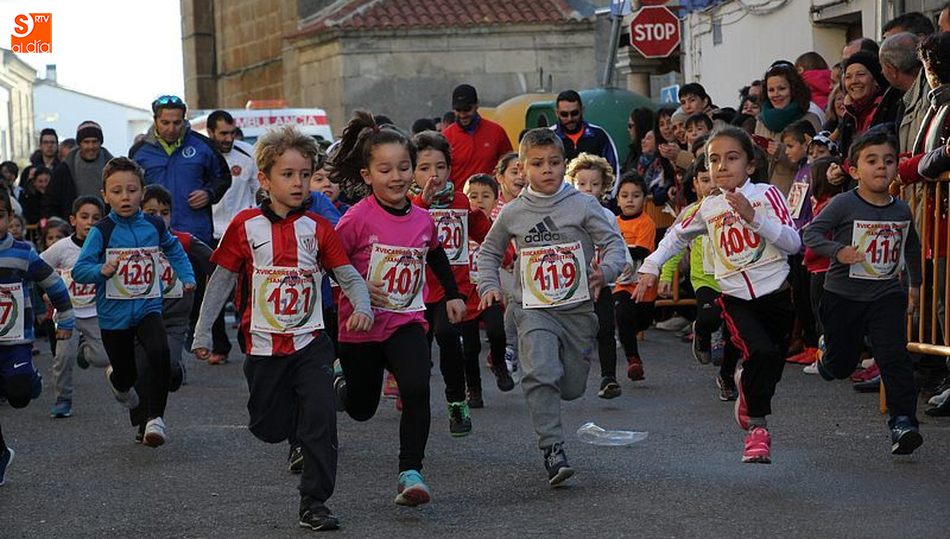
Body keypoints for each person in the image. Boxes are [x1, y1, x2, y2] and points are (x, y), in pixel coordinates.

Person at [192, 126, 366, 530]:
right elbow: (220, 280)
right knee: (267, 426)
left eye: (305, 174)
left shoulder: (320, 228)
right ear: (265, 179)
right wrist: (203, 332)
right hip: (263, 345)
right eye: (288, 174)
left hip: (311, 341)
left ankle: (314, 502)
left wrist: (362, 307)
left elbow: (348, 275)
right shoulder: (245, 225)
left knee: (321, 417)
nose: (299, 183)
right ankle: (291, 429)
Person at [636, 127, 801, 464]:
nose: (722, 166)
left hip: (777, 295)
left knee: (770, 362)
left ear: (750, 166)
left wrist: (753, 219)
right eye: (714, 160)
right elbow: (676, 236)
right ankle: (758, 431)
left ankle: (746, 389)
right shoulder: (708, 207)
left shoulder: (767, 195)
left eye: (731, 158)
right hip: (736, 297)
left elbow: (793, 243)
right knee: (759, 350)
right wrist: (651, 265)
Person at [330, 112, 466, 506]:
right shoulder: (356, 219)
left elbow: (436, 254)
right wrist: (356, 287)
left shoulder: (423, 218)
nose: (397, 177)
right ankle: (342, 384)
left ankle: (411, 472)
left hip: (407, 319)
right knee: (361, 408)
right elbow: (330, 260)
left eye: (404, 167)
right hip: (361, 326)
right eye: (385, 169)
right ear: (368, 175)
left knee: (417, 386)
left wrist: (454, 294)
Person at [476, 128, 626, 485]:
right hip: (532, 308)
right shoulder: (513, 212)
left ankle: (553, 389)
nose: (547, 170)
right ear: (522, 169)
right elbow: (489, 252)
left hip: (576, 310)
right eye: (538, 164)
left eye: (555, 163)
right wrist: (489, 285)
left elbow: (615, 246)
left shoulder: (583, 205)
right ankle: (553, 449)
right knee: (541, 373)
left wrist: (603, 272)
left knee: (571, 387)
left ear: (564, 164)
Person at [803, 130, 923, 454]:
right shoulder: (844, 203)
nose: (881, 167)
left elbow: (911, 245)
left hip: (886, 294)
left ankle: (903, 423)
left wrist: (914, 285)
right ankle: (828, 353)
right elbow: (810, 233)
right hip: (843, 296)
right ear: (854, 170)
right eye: (872, 161)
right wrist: (837, 251)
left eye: (888, 160)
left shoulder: (901, 210)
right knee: (841, 367)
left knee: (894, 357)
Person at [72, 157, 196, 447]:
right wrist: (100, 271)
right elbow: (80, 271)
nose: (125, 197)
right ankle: (119, 381)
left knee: (159, 351)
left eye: (131, 190)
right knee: (126, 374)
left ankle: (155, 419)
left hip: (148, 305)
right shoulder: (101, 231)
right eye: (116, 191)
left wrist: (186, 275)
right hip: (114, 315)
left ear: (142, 191)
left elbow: (174, 248)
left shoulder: (153, 224)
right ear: (105, 195)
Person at [409, 132, 498, 420]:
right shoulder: (408, 203)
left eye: (440, 167)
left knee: (448, 336)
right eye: (424, 168)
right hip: (417, 290)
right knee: (418, 351)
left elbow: (479, 228)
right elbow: (407, 232)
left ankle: (457, 400)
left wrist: (505, 251)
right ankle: (410, 391)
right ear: (412, 170)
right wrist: (423, 203)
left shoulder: (459, 200)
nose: (433, 175)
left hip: (451, 289)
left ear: (450, 168)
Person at [0, 187, 75, 484]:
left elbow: (53, 282)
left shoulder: (22, 252)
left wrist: (65, 316)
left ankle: (30, 380)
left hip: (16, 339)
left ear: (9, 217)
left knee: (18, 396)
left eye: (0, 216)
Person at [134, 185, 213, 439]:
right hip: (140, 316)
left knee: (164, 365)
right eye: (151, 212)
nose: (158, 218)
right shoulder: (129, 243)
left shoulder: (185, 241)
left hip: (174, 320)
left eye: (164, 212)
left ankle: (174, 372)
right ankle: (144, 420)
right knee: (141, 369)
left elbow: (216, 261)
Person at [39, 196, 111, 418]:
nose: (90, 222)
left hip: (95, 312)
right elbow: (38, 267)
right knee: (63, 357)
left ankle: (84, 352)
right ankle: (63, 398)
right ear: (73, 220)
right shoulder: (62, 248)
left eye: (96, 218)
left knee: (102, 358)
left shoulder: (105, 246)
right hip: (66, 313)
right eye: (84, 217)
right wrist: (48, 290)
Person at [564, 153, 628, 398]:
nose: (588, 189)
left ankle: (609, 378)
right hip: (572, 284)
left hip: (600, 281)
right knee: (571, 332)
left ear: (605, 187)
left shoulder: (608, 216)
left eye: (594, 184)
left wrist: (624, 265)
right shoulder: (567, 213)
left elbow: (617, 244)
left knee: (605, 329)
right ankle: (564, 374)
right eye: (582, 183)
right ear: (572, 184)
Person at [129, 95, 231, 245]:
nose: (171, 129)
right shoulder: (139, 152)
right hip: (152, 235)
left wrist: (209, 193)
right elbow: (130, 188)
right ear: (155, 120)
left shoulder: (203, 146)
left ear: (184, 120)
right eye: (165, 123)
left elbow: (223, 177)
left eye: (177, 123)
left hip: (195, 234)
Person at [206, 109, 258, 364]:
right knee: (214, 289)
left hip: (242, 233)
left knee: (247, 289)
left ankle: (249, 340)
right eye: (222, 133)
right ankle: (219, 345)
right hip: (212, 232)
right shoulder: (203, 156)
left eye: (231, 132)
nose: (227, 138)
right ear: (211, 132)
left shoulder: (247, 155)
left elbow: (258, 191)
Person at [610, 173, 656, 384]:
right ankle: (633, 360)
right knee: (622, 313)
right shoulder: (613, 222)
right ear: (617, 199)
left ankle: (629, 332)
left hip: (643, 283)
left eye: (636, 195)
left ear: (644, 199)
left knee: (643, 321)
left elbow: (640, 252)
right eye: (625, 195)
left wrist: (617, 251)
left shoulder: (646, 223)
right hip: (622, 283)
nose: (630, 200)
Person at [754, 63, 822, 195]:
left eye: (782, 88)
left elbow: (817, 160)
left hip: (797, 194)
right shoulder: (761, 121)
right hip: (765, 195)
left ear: (793, 89)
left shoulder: (809, 119)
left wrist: (781, 152)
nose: (776, 94)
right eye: (771, 90)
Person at [442, 84, 513, 192]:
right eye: (458, 110)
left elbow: (510, 167)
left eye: (467, 109)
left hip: (490, 201)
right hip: (458, 203)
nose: (462, 114)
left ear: (477, 105)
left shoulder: (496, 132)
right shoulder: (446, 137)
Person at [44, 121, 114, 220]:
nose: (91, 147)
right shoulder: (64, 169)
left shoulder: (113, 169)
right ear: (79, 143)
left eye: (95, 142)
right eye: (86, 142)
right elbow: (50, 202)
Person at [550, 90, 619, 183]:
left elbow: (612, 169)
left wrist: (608, 195)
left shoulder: (598, 135)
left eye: (574, 113)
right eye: (564, 114)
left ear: (582, 110)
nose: (569, 119)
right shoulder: (549, 137)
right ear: (557, 113)